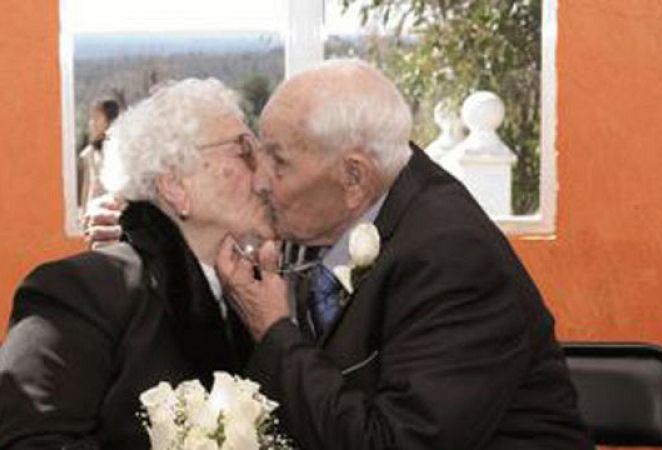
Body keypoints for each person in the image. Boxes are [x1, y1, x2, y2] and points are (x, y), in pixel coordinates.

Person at [215, 59, 594, 449]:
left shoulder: (453, 258)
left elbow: (398, 443)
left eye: (278, 161)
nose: (259, 180)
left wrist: (273, 330)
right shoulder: (331, 218)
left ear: (354, 178)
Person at [0, 78, 272, 449]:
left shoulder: (250, 295)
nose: (265, 171)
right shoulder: (78, 293)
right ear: (175, 187)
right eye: (244, 150)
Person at [78, 99, 120, 213]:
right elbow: (87, 186)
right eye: (91, 119)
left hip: (112, 209)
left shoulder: (118, 148)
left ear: (109, 121)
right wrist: (84, 212)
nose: (92, 123)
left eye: (96, 118)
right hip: (94, 209)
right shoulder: (90, 152)